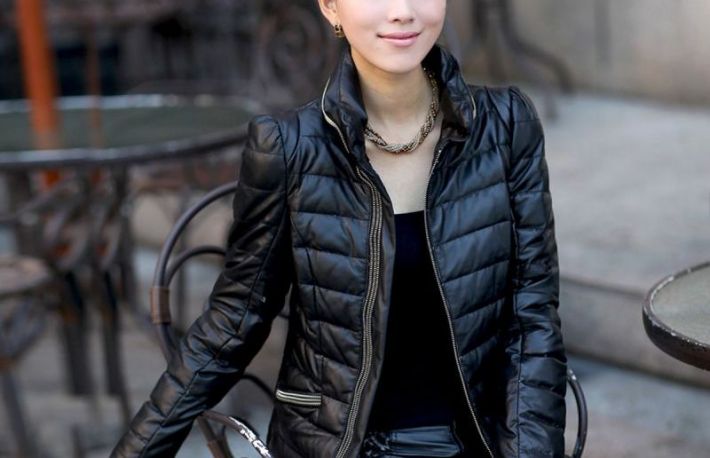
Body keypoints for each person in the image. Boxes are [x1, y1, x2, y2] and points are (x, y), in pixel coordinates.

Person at [111, 0, 568, 456]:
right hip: (337, 445)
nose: (402, 11)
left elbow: (533, 317)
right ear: (330, 7)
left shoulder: (507, 126)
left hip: (474, 441)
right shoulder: (288, 148)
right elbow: (233, 321)